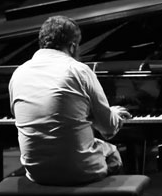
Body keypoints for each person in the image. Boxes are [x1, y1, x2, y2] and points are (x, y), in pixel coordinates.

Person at [9, 15, 131, 185]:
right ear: (73, 46)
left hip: (36, 172)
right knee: (113, 154)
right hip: (80, 171)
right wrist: (114, 114)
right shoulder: (78, 70)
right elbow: (108, 129)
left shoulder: (18, 73)